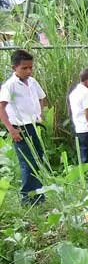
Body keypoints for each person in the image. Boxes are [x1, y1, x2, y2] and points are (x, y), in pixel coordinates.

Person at [0, 49, 47, 204]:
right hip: (19, 128)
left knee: (39, 158)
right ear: (14, 68)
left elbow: (41, 98)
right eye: (24, 68)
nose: (28, 71)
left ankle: (38, 194)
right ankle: (27, 198)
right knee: (27, 162)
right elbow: (1, 108)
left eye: (30, 68)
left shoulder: (32, 82)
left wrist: (40, 114)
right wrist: (11, 129)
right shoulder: (10, 85)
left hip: (32, 125)